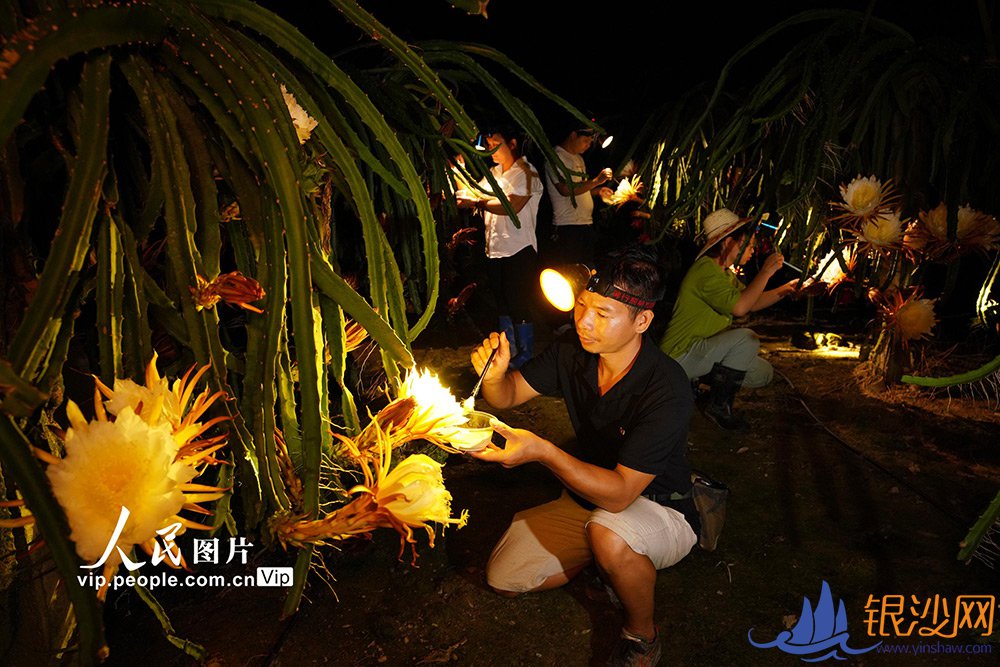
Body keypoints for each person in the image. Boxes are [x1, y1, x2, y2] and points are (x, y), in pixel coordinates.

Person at [469, 247, 697, 666]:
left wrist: (543, 451)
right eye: (580, 306)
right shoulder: (572, 352)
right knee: (505, 576)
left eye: (603, 313)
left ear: (642, 321)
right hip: (589, 497)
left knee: (610, 534)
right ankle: (601, 560)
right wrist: (496, 375)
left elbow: (621, 495)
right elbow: (507, 395)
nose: (584, 322)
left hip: (658, 505)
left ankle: (642, 636)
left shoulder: (667, 386)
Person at [658, 208, 800, 431]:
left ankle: (700, 386)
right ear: (727, 243)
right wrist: (766, 272)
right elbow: (741, 308)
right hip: (679, 355)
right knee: (747, 339)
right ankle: (718, 407)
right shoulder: (705, 271)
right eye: (747, 244)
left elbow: (752, 301)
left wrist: (788, 288)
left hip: (701, 349)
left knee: (762, 373)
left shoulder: (725, 274)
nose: (752, 250)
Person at [457, 128, 543, 368]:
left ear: (512, 143)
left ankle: (525, 355)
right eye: (488, 144)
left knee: (518, 302)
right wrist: (458, 170)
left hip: (520, 248)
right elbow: (468, 195)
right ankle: (509, 351)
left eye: (496, 143)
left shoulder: (527, 172)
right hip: (494, 248)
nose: (490, 149)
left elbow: (512, 206)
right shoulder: (493, 173)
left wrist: (478, 201)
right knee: (502, 302)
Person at [544, 125, 614, 267]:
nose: (588, 145)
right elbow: (565, 189)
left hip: (586, 225)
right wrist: (596, 181)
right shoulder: (556, 157)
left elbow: (581, 189)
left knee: (586, 270)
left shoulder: (579, 159)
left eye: (590, 142)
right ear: (573, 135)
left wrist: (598, 191)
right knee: (569, 272)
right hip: (567, 227)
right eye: (585, 141)